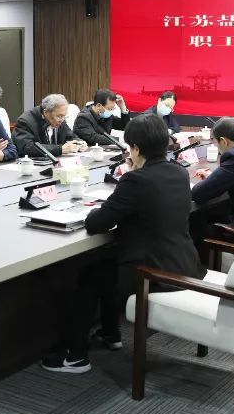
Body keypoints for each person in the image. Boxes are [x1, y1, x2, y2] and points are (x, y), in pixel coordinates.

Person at [42, 114, 206, 374]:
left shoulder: (136, 180)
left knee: (90, 275)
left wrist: (125, 182)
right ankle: (111, 333)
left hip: (152, 272)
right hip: (182, 262)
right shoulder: (177, 171)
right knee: (107, 264)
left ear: (136, 149)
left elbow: (98, 223)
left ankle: (76, 356)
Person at [13, 93, 88, 158]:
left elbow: (70, 136)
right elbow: (27, 147)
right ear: (46, 112)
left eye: (64, 116)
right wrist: (60, 149)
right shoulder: (26, 121)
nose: (62, 120)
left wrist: (79, 143)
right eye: (59, 116)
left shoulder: (59, 120)